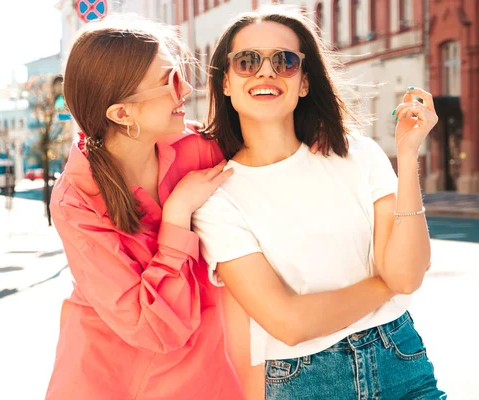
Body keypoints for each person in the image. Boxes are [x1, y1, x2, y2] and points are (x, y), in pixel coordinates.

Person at [192, 6, 446, 399]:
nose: (266, 72)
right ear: (225, 81)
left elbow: (407, 275)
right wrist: (387, 284)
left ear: (304, 82)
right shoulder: (217, 199)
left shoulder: (357, 155)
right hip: (307, 382)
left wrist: (408, 155)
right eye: (247, 61)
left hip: (401, 361)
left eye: (285, 61)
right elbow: (289, 322)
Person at [44, 15, 244, 400]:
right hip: (107, 382)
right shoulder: (76, 201)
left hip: (206, 376)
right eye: (167, 80)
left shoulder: (199, 148)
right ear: (121, 113)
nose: (184, 88)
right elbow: (154, 328)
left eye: (179, 73)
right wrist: (177, 213)